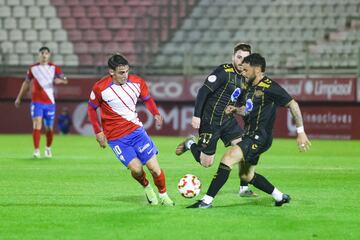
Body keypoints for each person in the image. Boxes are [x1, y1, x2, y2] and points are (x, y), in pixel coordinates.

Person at [187, 53, 311, 208]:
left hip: (260, 137)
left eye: (246, 70)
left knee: (228, 158)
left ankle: (206, 201)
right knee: (246, 175)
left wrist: (300, 131)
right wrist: (235, 110)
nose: (243, 72)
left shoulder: (270, 87)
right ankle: (280, 197)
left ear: (257, 70)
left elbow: (293, 105)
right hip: (251, 135)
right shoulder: (249, 87)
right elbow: (249, 110)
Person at [87, 53, 174, 206]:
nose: (125, 75)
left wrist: (155, 113)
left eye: (127, 71)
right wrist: (98, 131)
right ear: (111, 72)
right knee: (137, 169)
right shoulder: (100, 88)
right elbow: (91, 109)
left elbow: (147, 99)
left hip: (137, 132)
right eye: (121, 72)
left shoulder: (137, 82)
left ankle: (164, 196)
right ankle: (147, 187)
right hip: (117, 139)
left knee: (154, 168)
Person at [175, 43, 256, 197]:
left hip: (227, 121)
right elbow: (203, 91)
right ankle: (190, 143)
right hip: (210, 121)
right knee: (207, 163)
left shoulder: (246, 78)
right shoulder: (223, 71)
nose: (241, 61)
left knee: (244, 150)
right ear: (233, 57)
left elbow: (239, 101)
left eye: (245, 59)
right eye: (239, 57)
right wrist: (196, 115)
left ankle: (244, 189)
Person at [14, 46, 68, 158]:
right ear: (39, 55)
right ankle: (37, 150)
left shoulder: (54, 68)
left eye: (46, 53)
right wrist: (19, 97)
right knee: (37, 124)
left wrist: (61, 80)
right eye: (42, 53)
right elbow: (26, 84)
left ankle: (48, 148)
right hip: (36, 102)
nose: (44, 55)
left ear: (49, 55)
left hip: (50, 103)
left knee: (49, 128)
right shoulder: (32, 68)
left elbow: (65, 79)